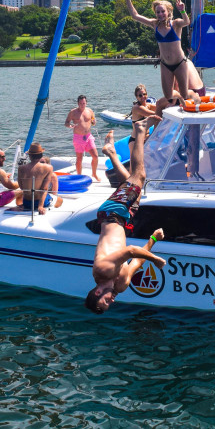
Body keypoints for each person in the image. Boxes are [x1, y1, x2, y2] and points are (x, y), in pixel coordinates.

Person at [86, 118, 165, 314]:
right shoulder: (121, 285)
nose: (111, 301)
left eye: (105, 302)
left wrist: (155, 259)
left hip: (111, 214)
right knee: (133, 184)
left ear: (97, 293)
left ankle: (139, 130)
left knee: (139, 177)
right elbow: (137, 262)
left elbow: (130, 251)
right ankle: (112, 153)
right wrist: (153, 239)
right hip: (123, 218)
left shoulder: (102, 271)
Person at [123, 0, 198, 109]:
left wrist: (183, 10)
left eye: (162, 11)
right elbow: (135, 16)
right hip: (165, 64)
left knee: (185, 93)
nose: (160, 14)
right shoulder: (154, 24)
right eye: (158, 12)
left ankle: (192, 94)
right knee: (168, 95)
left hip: (180, 63)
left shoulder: (176, 24)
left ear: (168, 11)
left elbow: (187, 22)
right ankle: (177, 97)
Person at [16, 142, 62, 215]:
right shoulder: (48, 168)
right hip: (39, 203)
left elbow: (21, 187)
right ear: (41, 155)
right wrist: (40, 206)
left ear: (30, 156)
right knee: (60, 200)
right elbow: (44, 188)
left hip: (26, 203)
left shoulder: (21, 168)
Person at [65, 94, 100, 181]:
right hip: (78, 137)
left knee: (95, 156)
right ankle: (79, 176)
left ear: (86, 103)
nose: (82, 105)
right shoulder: (73, 112)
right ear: (78, 103)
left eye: (84, 103)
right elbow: (66, 122)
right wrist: (69, 126)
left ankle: (94, 174)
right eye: (81, 103)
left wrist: (94, 121)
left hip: (88, 137)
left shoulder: (90, 111)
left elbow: (93, 122)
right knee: (79, 159)